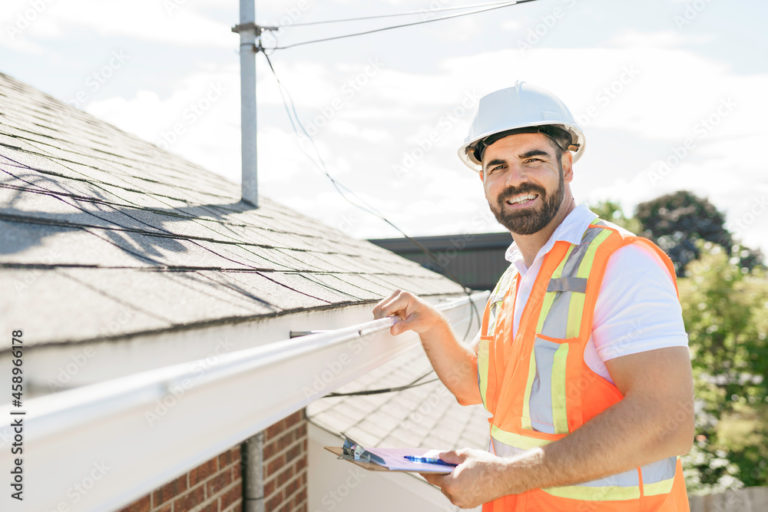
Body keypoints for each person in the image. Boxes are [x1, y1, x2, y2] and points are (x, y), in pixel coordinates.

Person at [373, 82, 694, 511]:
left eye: (533, 160)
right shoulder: (513, 281)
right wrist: (431, 325)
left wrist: (503, 476)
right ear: (483, 180)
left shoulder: (622, 263)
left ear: (567, 165)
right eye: (498, 167)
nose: (515, 179)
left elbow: (666, 422)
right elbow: (475, 387)